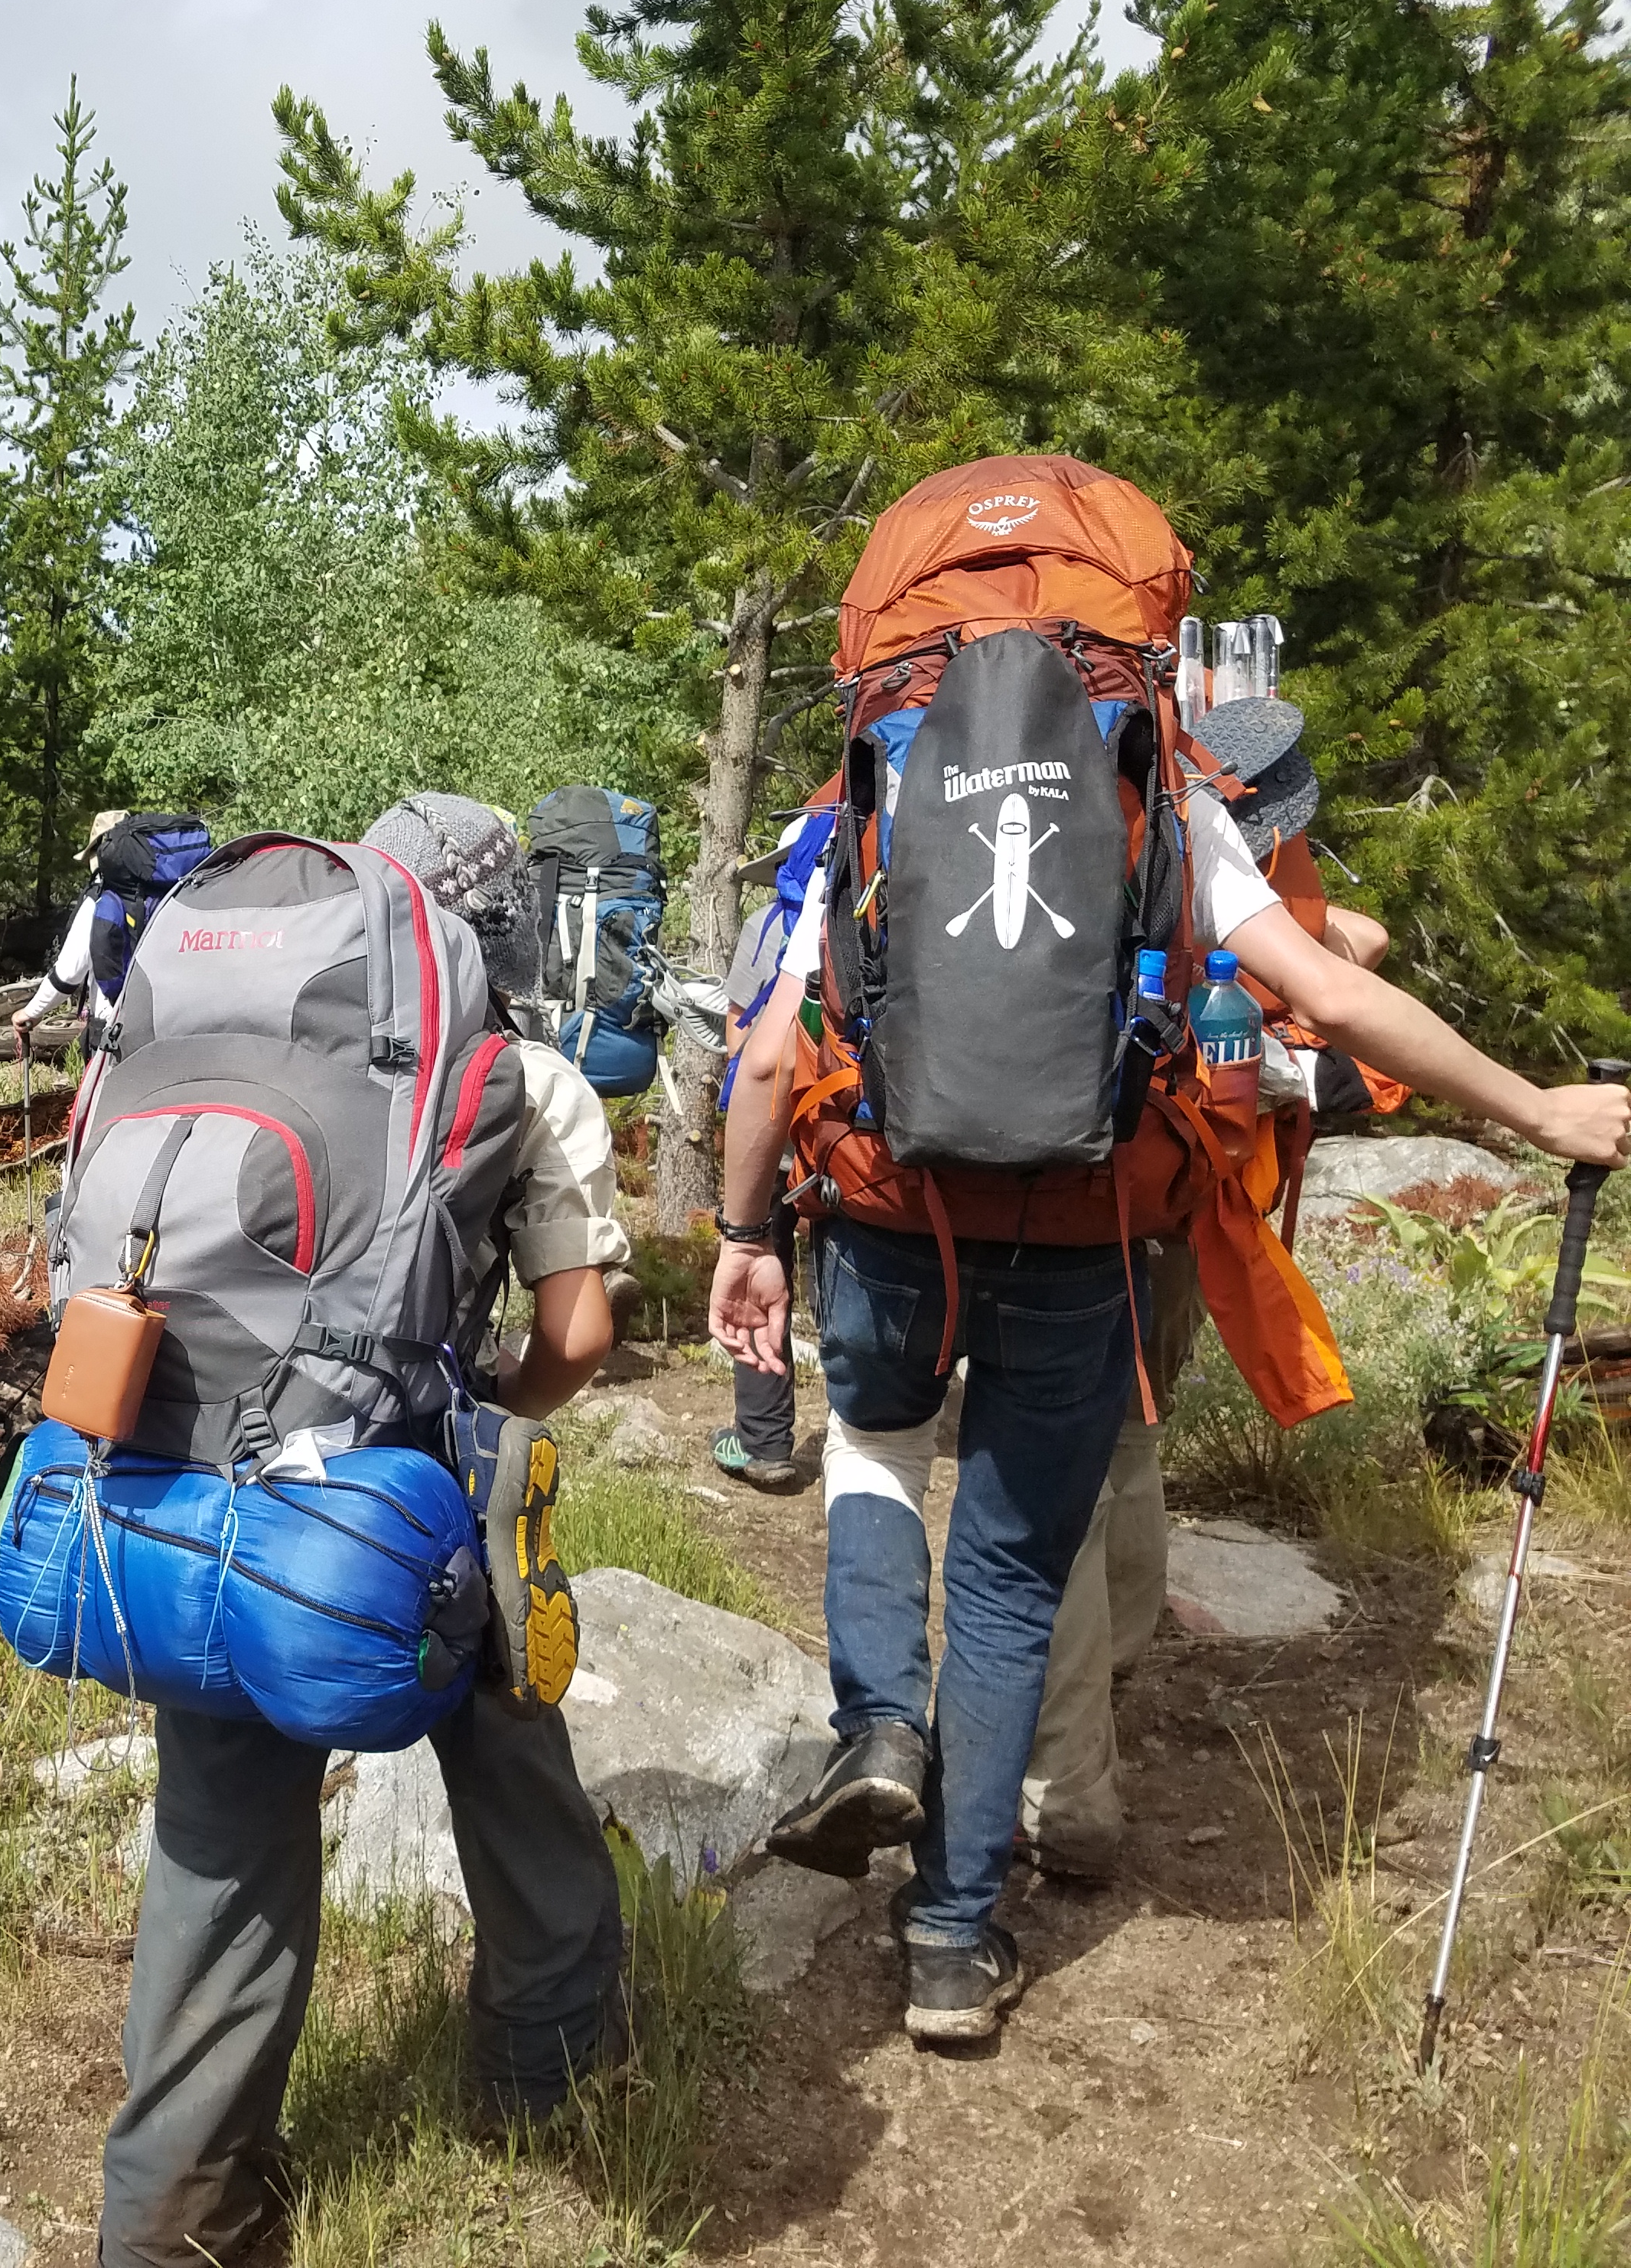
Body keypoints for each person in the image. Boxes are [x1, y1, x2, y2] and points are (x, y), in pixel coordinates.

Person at [713, 778, 1628, 2044]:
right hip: (1079, 1233)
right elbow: (1338, 993)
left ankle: (875, 1727)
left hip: (886, 1219)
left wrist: (744, 1231)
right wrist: (1536, 1109)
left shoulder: (884, 774)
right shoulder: (1154, 786)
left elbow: (770, 1049)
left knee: (873, 1448)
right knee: (1008, 1573)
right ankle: (947, 1939)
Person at [102, 793, 630, 2268]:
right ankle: (551, 2063)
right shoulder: (519, 1072)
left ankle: (172, 2216)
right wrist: (484, 1408)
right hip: (398, 1507)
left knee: (216, 1842)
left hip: (198, 1477)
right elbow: (578, 1334)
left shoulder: (228, 1039)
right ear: (502, 915)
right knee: (513, 1749)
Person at [708, 813, 825, 1493]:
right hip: (845, 1140)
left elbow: (740, 1043)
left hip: (776, 1141)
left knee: (759, 1268)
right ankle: (861, 1431)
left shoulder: (766, 927)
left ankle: (764, 1442)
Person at [15, 810, 135, 1051]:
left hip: (114, 1027)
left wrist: (30, 1012)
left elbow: (69, 973)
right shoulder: (163, 891)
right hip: (159, 1021)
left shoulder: (101, 901)